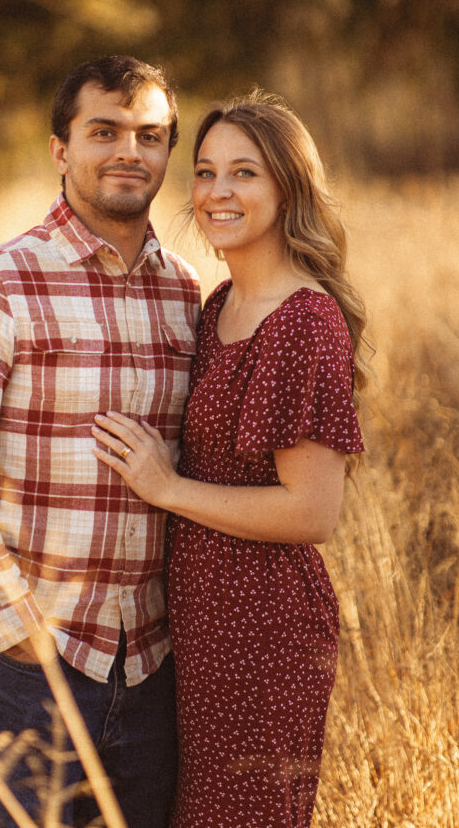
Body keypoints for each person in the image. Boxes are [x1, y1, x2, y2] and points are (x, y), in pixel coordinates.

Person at [0, 55, 200, 828]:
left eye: (149, 135)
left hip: (148, 672)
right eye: (103, 131)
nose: (128, 153)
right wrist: (19, 631)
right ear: (59, 149)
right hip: (23, 669)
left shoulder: (186, 293)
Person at [92, 91, 368, 828]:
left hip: (264, 628)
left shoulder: (302, 321)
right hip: (200, 624)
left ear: (286, 187)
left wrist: (166, 486)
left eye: (243, 173)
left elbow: (311, 511)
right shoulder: (218, 308)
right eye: (206, 172)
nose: (217, 192)